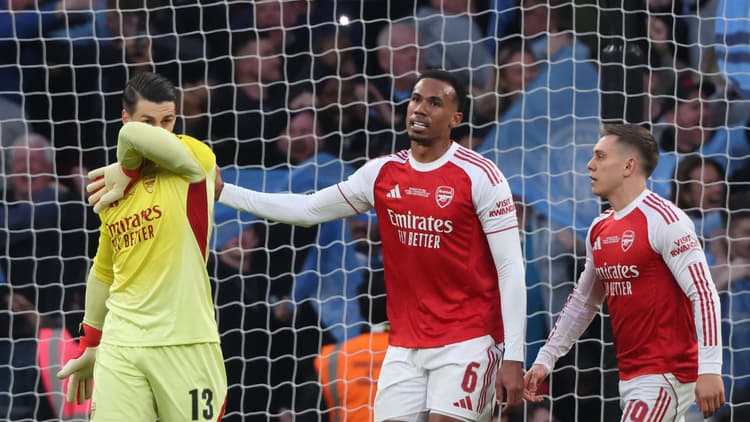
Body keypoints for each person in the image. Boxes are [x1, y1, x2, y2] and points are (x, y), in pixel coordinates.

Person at [94, 69, 527, 421]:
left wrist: (513, 356)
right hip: (406, 344)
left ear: (456, 118)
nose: (420, 108)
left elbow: (510, 268)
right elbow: (305, 208)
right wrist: (224, 192)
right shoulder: (381, 174)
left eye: (436, 102)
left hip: (468, 339)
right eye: (416, 98)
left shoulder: (481, 177)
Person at [524, 123, 726, 421]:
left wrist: (710, 369)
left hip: (666, 373)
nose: (590, 165)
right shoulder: (600, 228)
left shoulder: (666, 220)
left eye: (601, 157)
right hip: (631, 374)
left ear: (629, 166)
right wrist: (546, 358)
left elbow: (705, 294)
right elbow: (583, 301)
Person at [57, 72, 227, 420]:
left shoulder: (194, 157)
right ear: (126, 115)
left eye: (168, 120)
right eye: (148, 121)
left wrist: (128, 166)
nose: (159, 131)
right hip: (122, 344)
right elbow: (104, 271)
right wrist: (91, 343)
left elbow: (134, 138)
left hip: (187, 343)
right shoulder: (112, 192)